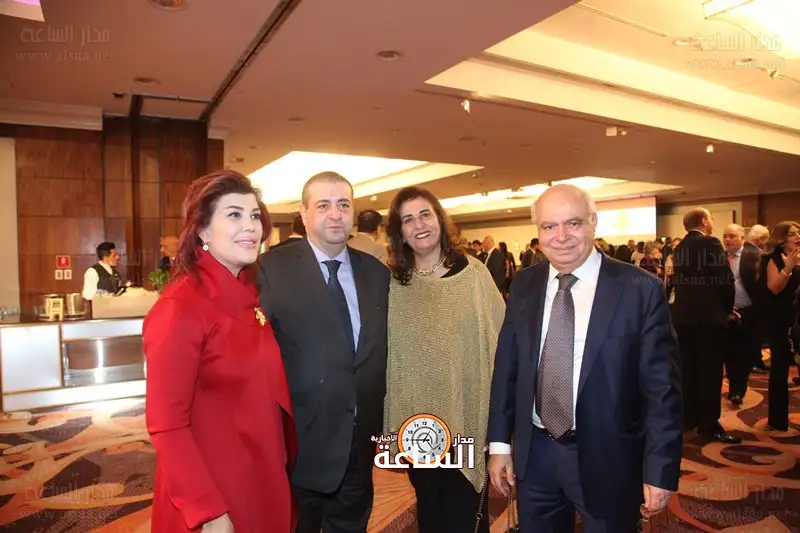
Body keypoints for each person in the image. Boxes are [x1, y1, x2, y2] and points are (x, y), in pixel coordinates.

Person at [487, 184, 682, 533]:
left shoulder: (639, 289)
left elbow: (662, 391)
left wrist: (659, 469)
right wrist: (500, 444)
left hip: (610, 456)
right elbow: (507, 368)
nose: (561, 236)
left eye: (573, 223)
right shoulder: (525, 284)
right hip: (536, 454)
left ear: (593, 222)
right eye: (549, 226)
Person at [143, 170, 297, 533]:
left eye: (255, 215)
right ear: (202, 231)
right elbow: (167, 424)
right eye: (234, 215)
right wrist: (206, 509)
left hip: (261, 470)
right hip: (217, 487)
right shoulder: (180, 307)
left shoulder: (246, 296)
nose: (250, 226)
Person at [257, 171, 389, 533]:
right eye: (323, 205)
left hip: (358, 441)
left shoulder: (376, 274)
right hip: (299, 443)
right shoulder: (271, 270)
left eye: (343, 205)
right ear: (303, 213)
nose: (335, 214)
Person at [383, 186, 505, 533]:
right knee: (430, 507)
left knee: (465, 512)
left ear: (439, 219)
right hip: (415, 425)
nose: (419, 224)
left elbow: (501, 344)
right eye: (408, 219)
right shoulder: (393, 285)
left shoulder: (474, 275)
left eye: (425, 214)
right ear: (399, 232)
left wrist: (500, 424)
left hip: (465, 416)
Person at [671, 208, 740, 444]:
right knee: (710, 373)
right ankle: (709, 425)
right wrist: (727, 310)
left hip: (683, 319)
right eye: (711, 218)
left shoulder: (679, 247)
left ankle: (689, 418)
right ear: (703, 221)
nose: (712, 222)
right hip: (709, 320)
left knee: (689, 371)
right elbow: (724, 279)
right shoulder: (710, 242)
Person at [757, 221, 800, 432]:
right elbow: (774, 288)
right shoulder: (772, 259)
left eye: (799, 232)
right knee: (780, 369)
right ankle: (778, 419)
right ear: (782, 239)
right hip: (781, 321)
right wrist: (789, 266)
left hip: (798, 318)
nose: (798, 236)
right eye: (793, 234)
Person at [721, 224, 760, 406]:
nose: (727, 240)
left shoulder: (753, 257)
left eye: (732, 236)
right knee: (728, 353)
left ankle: (738, 390)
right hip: (726, 313)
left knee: (743, 354)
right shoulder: (719, 257)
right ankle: (732, 388)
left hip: (747, 312)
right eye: (725, 236)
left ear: (742, 238)